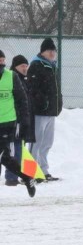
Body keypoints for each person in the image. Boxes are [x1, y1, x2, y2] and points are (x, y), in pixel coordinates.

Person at [0, 50, 37, 197]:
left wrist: (24, 122)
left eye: (3, 61)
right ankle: (27, 177)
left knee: (3, 155)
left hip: (7, 123)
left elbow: (22, 101)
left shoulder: (11, 76)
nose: (1, 63)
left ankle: (25, 177)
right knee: (4, 158)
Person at [27, 37, 62, 182]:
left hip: (51, 111)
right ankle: (30, 173)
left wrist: (58, 102)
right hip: (39, 111)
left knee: (47, 142)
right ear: (43, 52)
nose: (52, 53)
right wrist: (43, 102)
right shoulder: (36, 65)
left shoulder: (52, 66)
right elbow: (33, 88)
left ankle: (43, 170)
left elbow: (56, 88)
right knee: (36, 142)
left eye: (54, 51)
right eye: (49, 51)